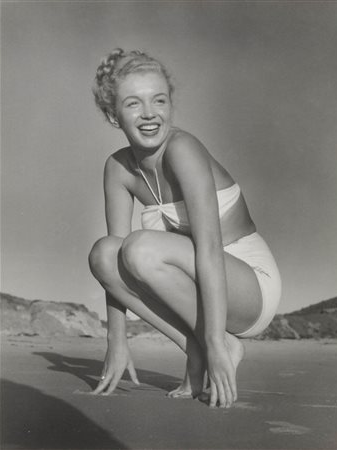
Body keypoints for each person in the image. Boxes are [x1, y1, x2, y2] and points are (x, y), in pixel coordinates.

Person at [89, 48, 281, 408]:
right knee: (103, 254)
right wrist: (117, 341)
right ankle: (194, 350)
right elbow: (112, 267)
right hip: (201, 281)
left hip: (248, 283)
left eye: (159, 100)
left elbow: (209, 249)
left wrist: (214, 340)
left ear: (170, 105)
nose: (149, 114)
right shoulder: (117, 169)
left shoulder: (183, 149)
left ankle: (214, 345)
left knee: (140, 249)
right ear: (113, 115)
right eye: (133, 104)